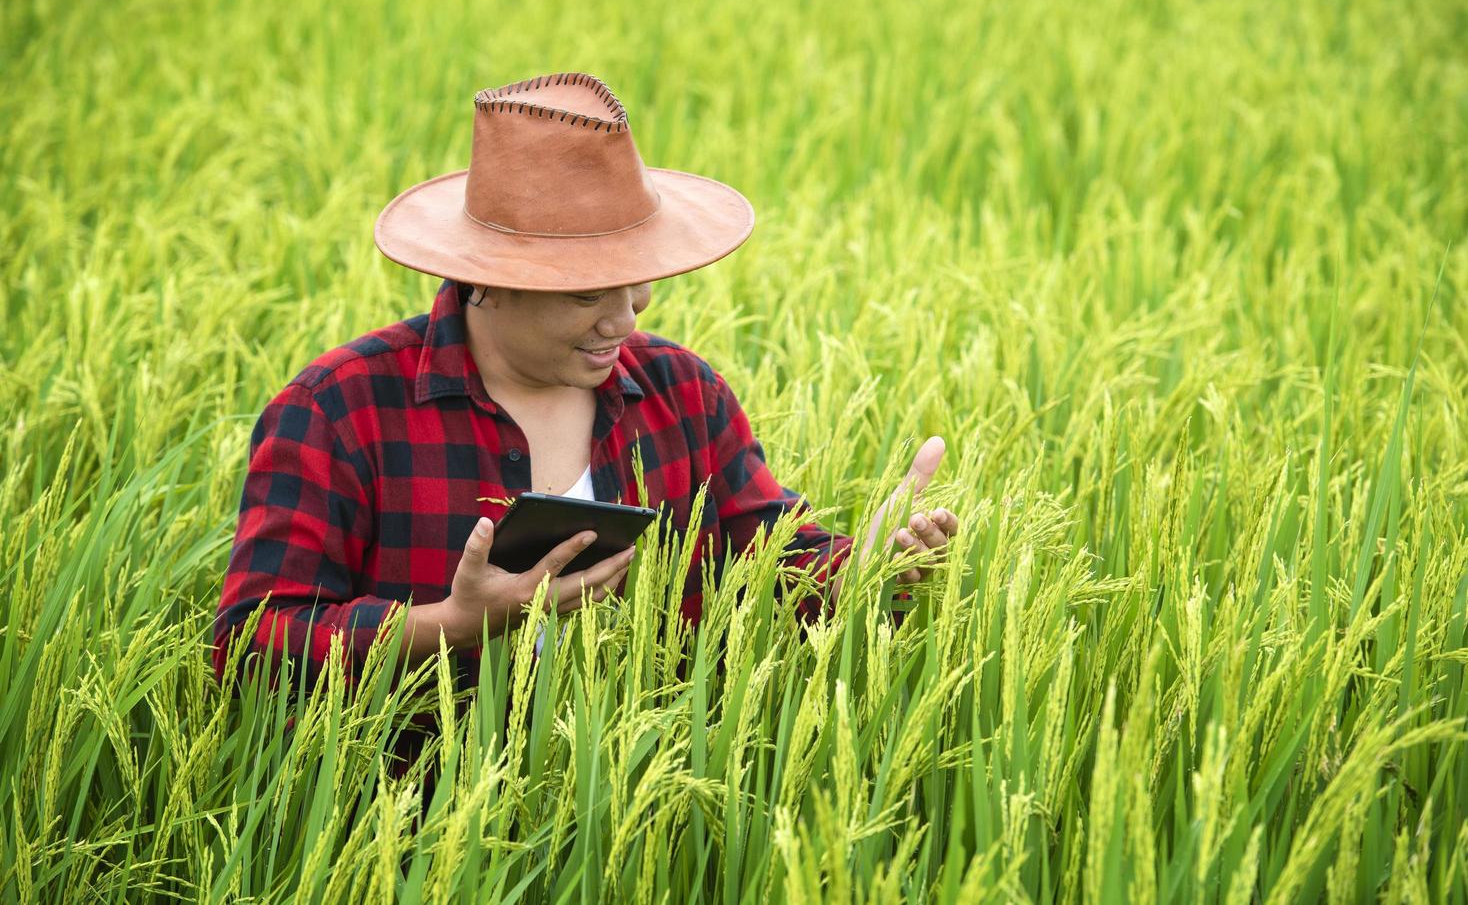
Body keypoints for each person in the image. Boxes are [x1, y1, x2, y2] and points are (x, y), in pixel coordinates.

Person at [212, 71, 960, 705]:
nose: (625, 317)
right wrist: (449, 626)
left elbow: (775, 559)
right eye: (585, 295)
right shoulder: (340, 411)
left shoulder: (683, 394)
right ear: (488, 283)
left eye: (639, 280)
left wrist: (859, 565)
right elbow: (248, 646)